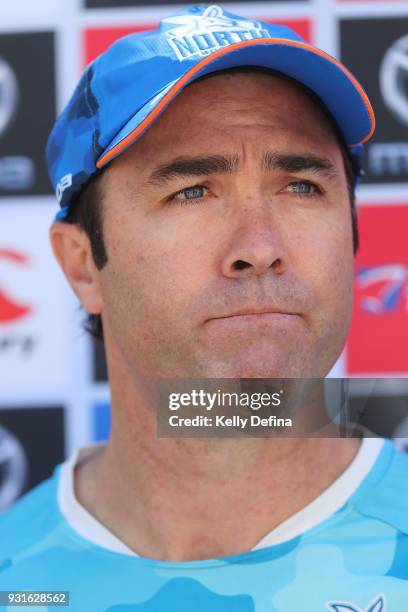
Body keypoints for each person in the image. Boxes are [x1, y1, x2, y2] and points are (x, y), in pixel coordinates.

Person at [0, 4, 407, 611]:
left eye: (301, 186)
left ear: (352, 233)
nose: (260, 247)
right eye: (191, 191)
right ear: (82, 264)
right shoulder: (16, 580)